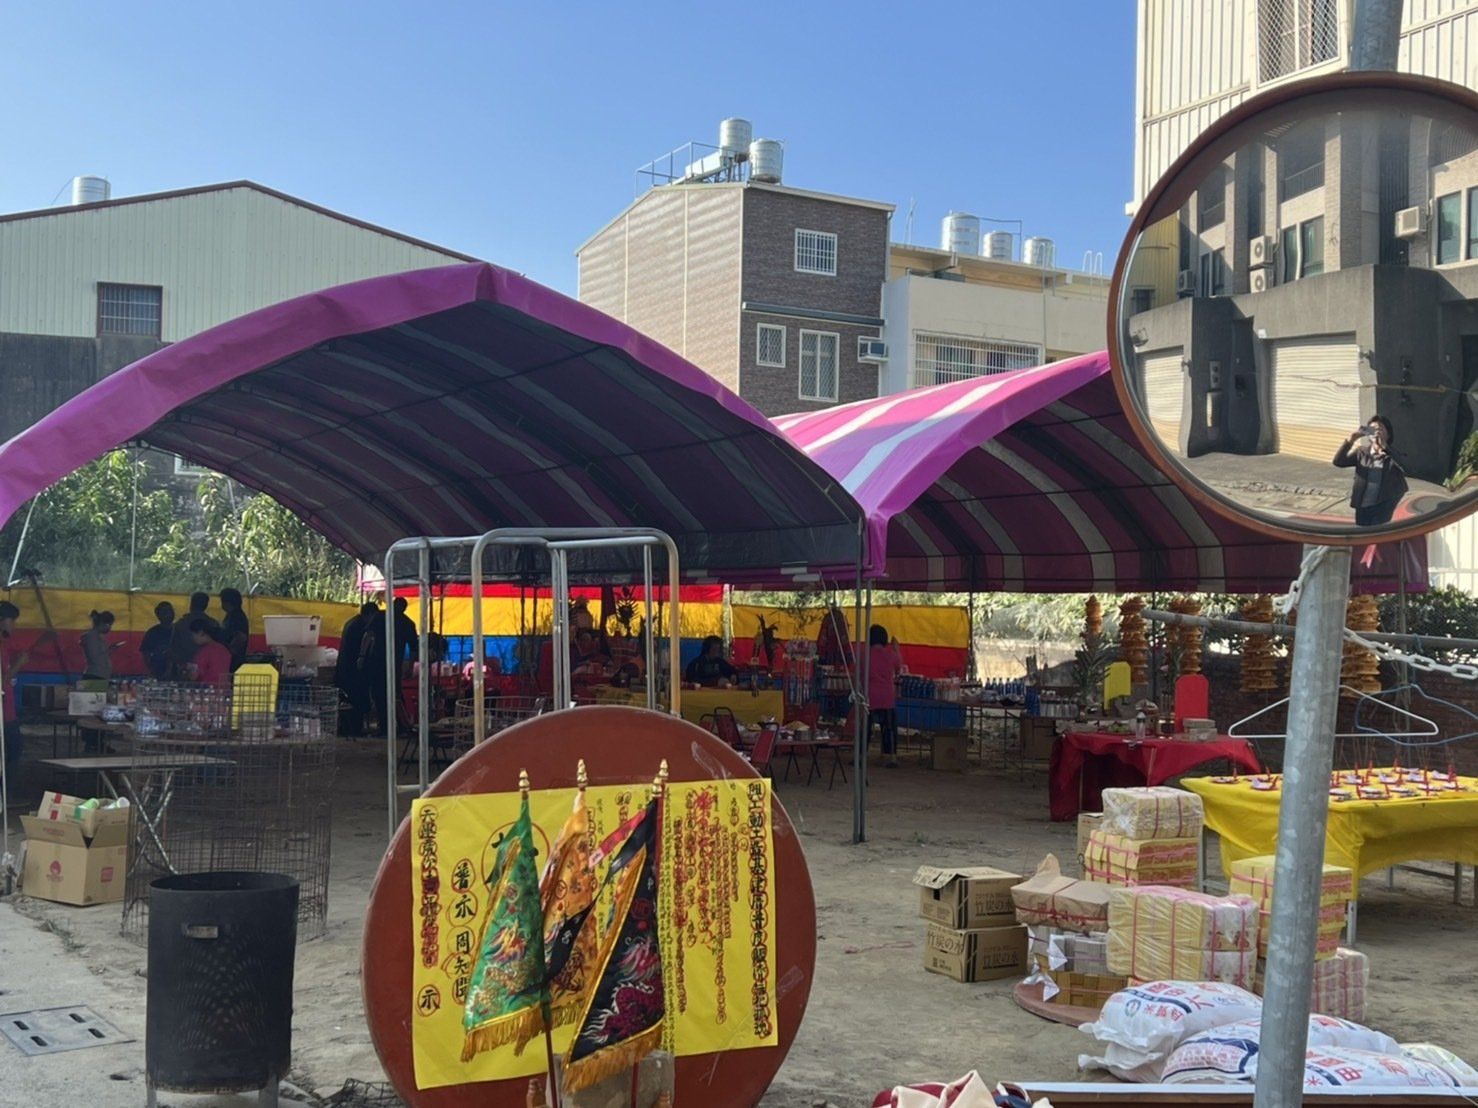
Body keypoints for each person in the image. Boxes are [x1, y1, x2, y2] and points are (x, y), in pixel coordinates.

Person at [0, 601, 47, 789]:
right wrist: (19, 664)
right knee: (13, 749)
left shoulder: (4, 645)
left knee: (13, 749)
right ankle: (5, 794)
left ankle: (5, 793)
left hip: (8, 710)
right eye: (12, 621)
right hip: (3, 712)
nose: (14, 625)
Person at [1334, 415, 1409, 527]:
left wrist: (1385, 448)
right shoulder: (1362, 452)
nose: (1376, 433)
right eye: (1372, 429)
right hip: (1363, 505)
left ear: (1388, 434)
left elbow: (1407, 469)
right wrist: (1351, 440)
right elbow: (1338, 462)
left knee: (1379, 534)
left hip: (1384, 505)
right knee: (1362, 534)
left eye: (1380, 429)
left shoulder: (1394, 454)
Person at [866, 624, 905, 769]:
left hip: (869, 695)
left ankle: (862, 754)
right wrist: (896, 649)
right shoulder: (891, 655)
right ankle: (891, 757)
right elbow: (899, 668)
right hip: (886, 695)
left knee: (865, 727)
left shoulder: (864, 655)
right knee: (889, 727)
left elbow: (857, 673)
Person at [336, 601, 378, 736]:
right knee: (356, 702)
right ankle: (353, 729)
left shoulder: (351, 622)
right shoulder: (360, 626)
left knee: (348, 701)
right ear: (370, 614)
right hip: (352, 671)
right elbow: (360, 649)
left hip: (344, 669)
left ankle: (348, 729)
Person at [170, 592, 219, 678]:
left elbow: (173, 648)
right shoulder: (213, 624)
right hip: (208, 668)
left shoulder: (180, 624)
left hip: (185, 669)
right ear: (206, 605)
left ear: (191, 604)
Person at [188, 618, 232, 685]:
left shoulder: (204, 652)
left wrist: (186, 671)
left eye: (192, 635)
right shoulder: (224, 649)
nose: (192, 638)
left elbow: (194, 676)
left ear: (201, 633)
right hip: (224, 688)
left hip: (207, 689)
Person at [79, 609, 119, 682]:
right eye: (109, 625)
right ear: (102, 623)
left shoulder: (98, 637)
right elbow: (95, 657)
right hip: (94, 676)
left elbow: (100, 655)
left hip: (100, 676)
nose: (110, 628)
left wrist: (110, 649)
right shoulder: (91, 636)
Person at [218, 587, 251, 671]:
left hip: (235, 659)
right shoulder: (231, 615)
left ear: (227, 602)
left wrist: (230, 651)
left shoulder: (237, 616)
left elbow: (241, 637)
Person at [140, 601, 175, 680]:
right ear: (158, 615)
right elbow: (145, 653)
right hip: (158, 672)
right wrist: (151, 669)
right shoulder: (152, 632)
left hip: (177, 673)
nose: (169, 614)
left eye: (170, 611)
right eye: (165, 612)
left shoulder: (179, 630)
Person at [392, 597, 418, 676]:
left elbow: (413, 647)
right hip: (397, 659)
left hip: (378, 658)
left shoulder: (381, 617)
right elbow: (413, 647)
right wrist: (410, 667)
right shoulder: (408, 623)